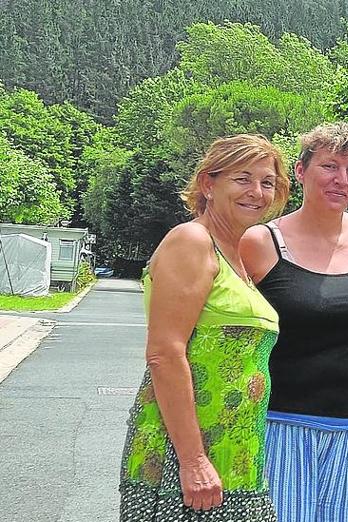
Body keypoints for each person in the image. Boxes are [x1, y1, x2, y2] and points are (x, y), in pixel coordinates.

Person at [119, 134, 290, 522]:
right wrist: (193, 460)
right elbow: (165, 353)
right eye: (242, 178)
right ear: (208, 184)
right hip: (184, 455)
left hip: (236, 455)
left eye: (267, 182)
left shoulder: (235, 253)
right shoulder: (192, 241)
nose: (257, 192)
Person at [239, 122, 348, 522]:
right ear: (300, 171)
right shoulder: (259, 242)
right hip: (279, 428)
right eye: (329, 166)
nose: (341, 179)